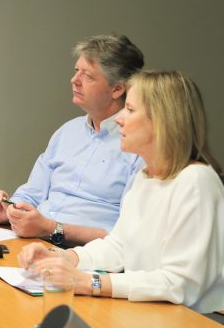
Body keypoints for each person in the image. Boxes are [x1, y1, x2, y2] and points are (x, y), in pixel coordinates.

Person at [18, 71, 224, 313]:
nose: (118, 119)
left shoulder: (196, 181)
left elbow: (179, 284)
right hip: (152, 313)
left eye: (130, 110)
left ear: (162, 122)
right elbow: (119, 246)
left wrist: (88, 282)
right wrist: (63, 258)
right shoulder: (146, 177)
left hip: (195, 323)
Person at [0, 34, 145, 246]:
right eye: (76, 70)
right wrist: (10, 209)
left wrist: (51, 228)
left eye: (87, 76)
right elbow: (32, 193)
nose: (74, 80)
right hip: (34, 242)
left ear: (117, 88)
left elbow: (126, 237)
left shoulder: (137, 146)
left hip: (86, 255)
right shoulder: (67, 131)